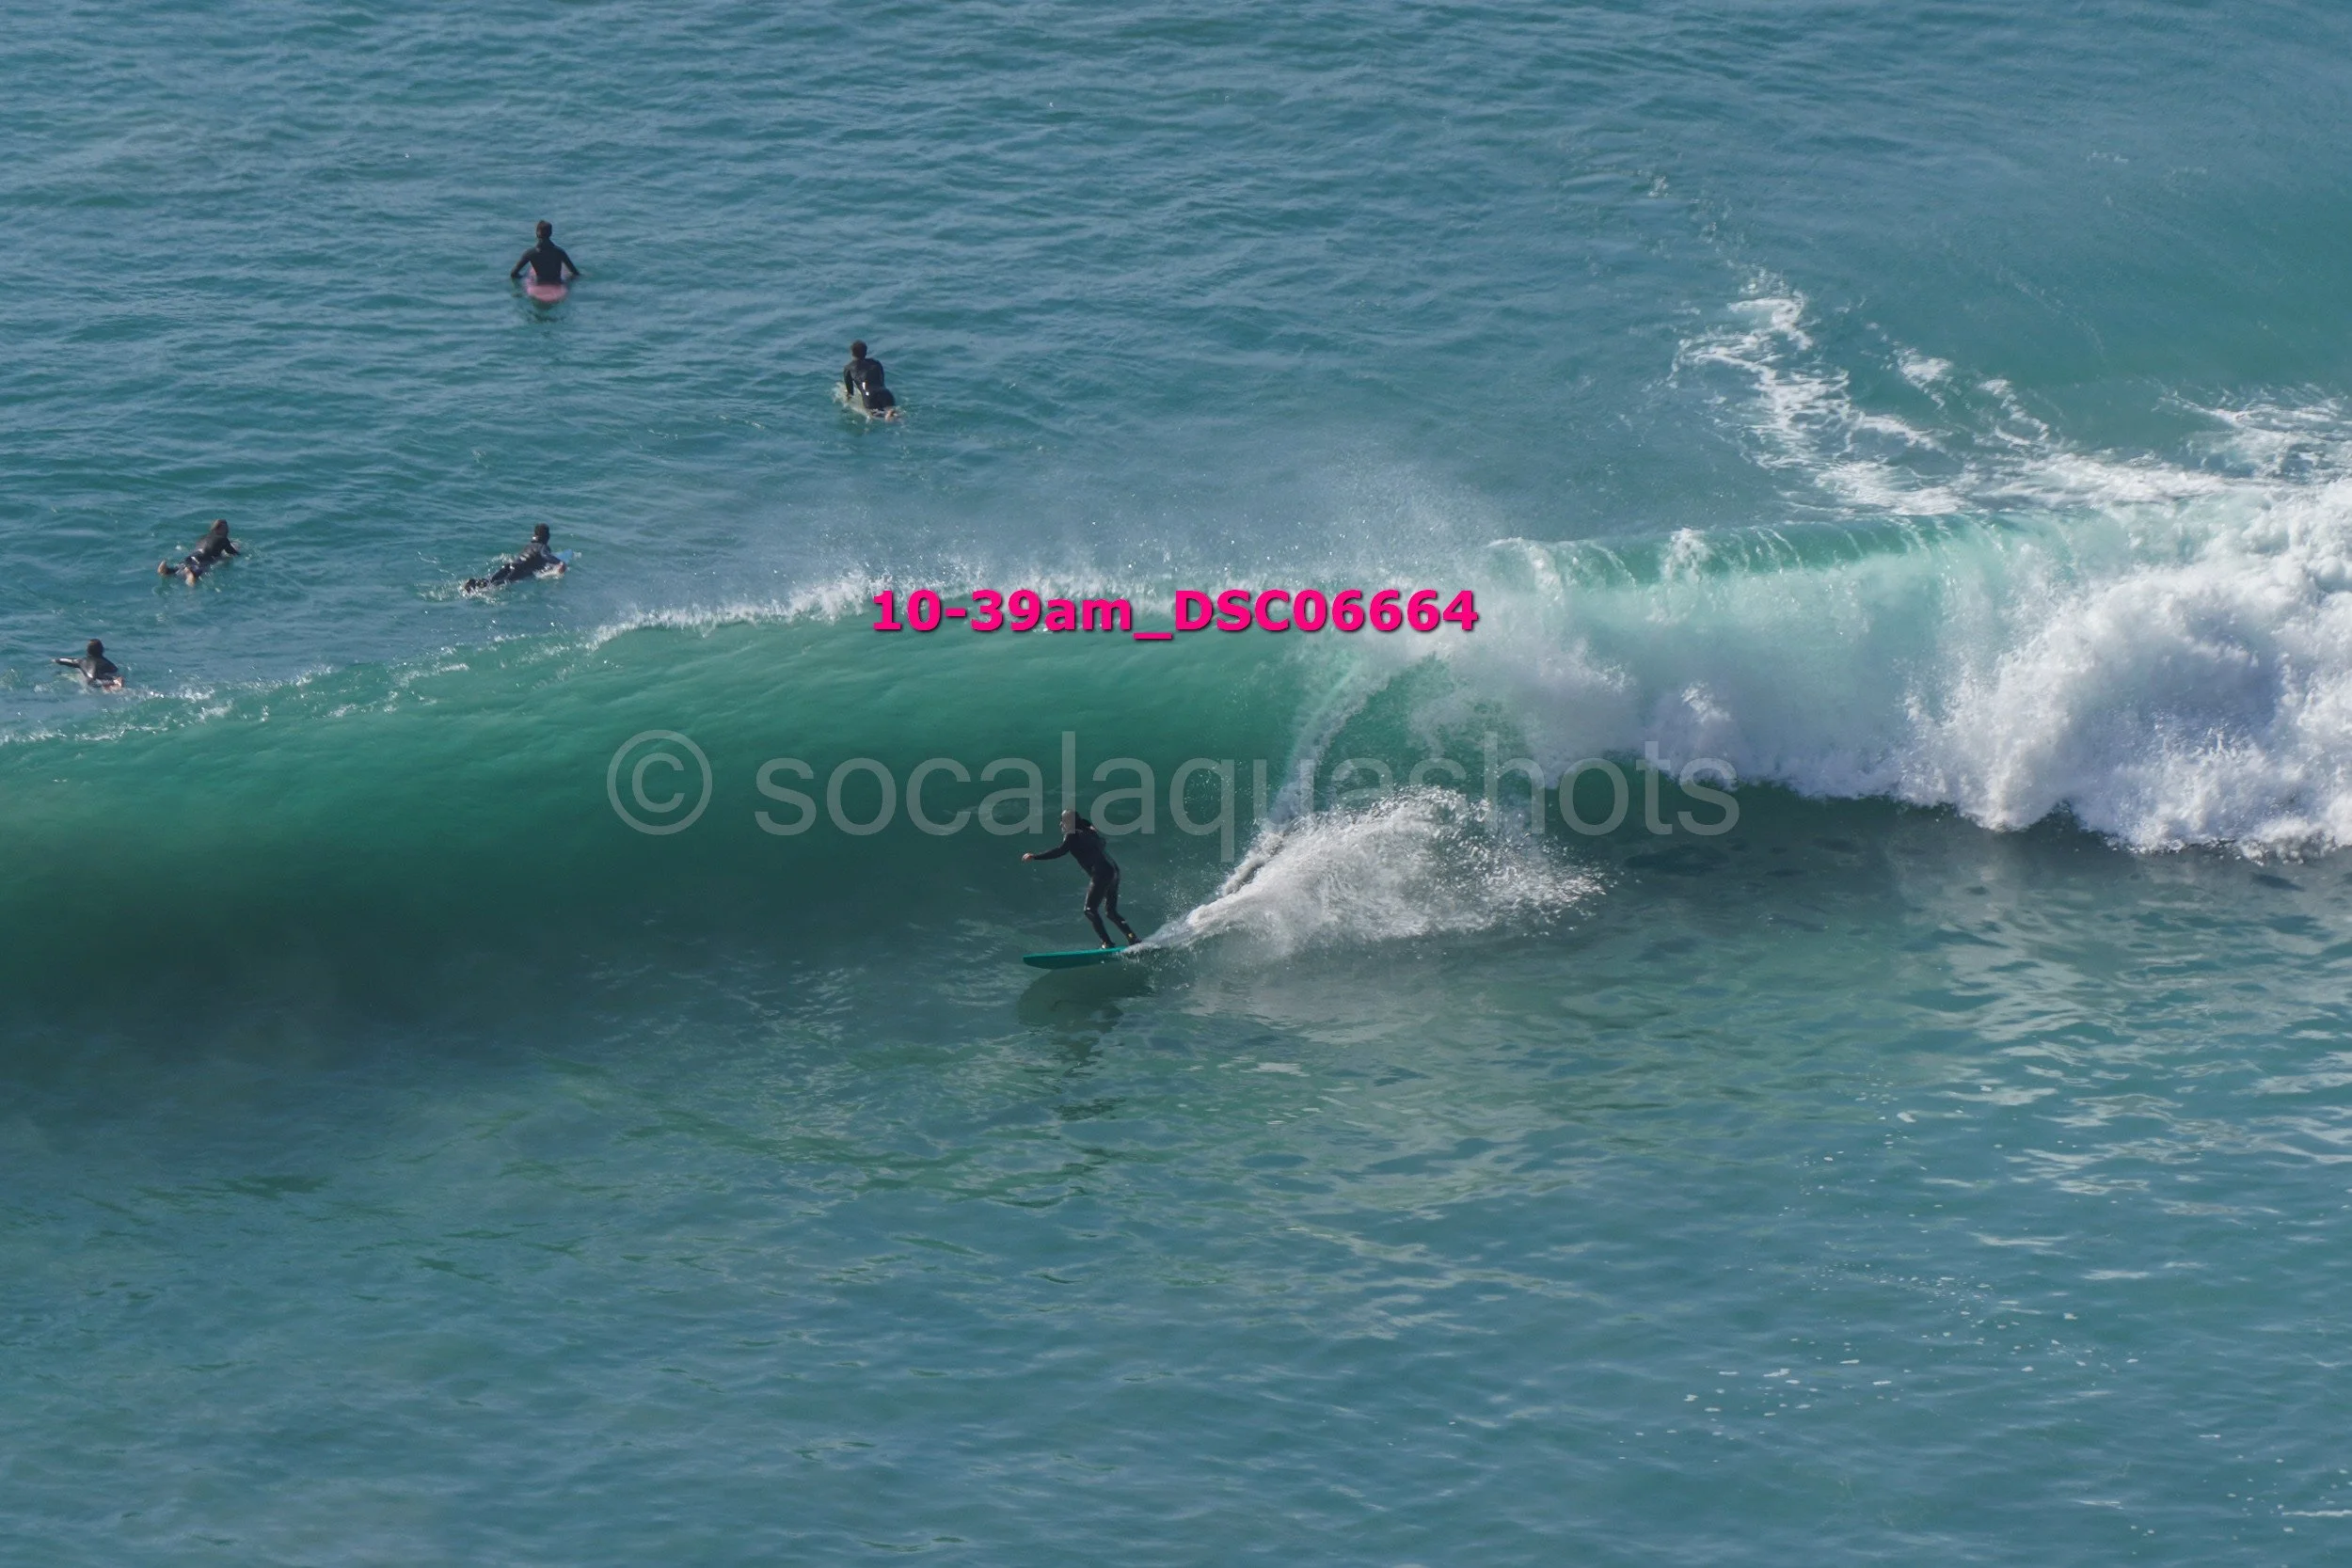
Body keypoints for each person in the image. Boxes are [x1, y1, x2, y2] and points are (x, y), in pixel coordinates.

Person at [1023, 809, 1140, 948]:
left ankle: (1107, 943)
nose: (1061, 824)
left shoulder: (1072, 834)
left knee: (1089, 910)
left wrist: (1035, 857)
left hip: (1101, 873)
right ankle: (1133, 938)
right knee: (1110, 911)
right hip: (1113, 871)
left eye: (1063, 821)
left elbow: (1060, 851)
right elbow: (1102, 843)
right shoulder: (1091, 832)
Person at [464, 523, 566, 593]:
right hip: (520, 570)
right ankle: (477, 589)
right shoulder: (543, 547)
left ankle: (474, 582)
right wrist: (560, 563)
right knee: (498, 584)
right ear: (547, 537)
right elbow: (545, 555)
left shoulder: (528, 546)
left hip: (510, 565)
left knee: (490, 580)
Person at [157, 518, 239, 585]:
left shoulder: (203, 538)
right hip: (203, 559)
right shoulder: (223, 539)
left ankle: (166, 570)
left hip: (192, 556)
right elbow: (232, 553)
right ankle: (190, 574)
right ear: (218, 529)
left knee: (180, 567)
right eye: (226, 529)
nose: (228, 531)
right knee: (197, 571)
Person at [509, 221, 580, 287]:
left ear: (537, 233)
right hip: (557, 283)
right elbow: (575, 273)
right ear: (551, 233)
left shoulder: (530, 253)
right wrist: (567, 281)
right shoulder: (559, 252)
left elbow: (513, 274)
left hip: (539, 283)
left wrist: (528, 279)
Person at [842, 341, 898, 418]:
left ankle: (888, 415)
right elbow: (881, 381)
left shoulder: (848, 368)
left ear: (852, 353)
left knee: (876, 416)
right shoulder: (876, 363)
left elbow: (850, 393)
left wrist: (846, 403)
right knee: (894, 415)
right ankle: (890, 413)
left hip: (870, 396)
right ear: (866, 352)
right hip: (885, 393)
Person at [55, 639, 122, 690]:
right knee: (118, 679)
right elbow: (115, 672)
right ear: (102, 650)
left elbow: (65, 661)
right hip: (102, 681)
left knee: (71, 675)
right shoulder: (109, 664)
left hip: (89, 683)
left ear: (87, 651)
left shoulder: (81, 662)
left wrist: (56, 660)